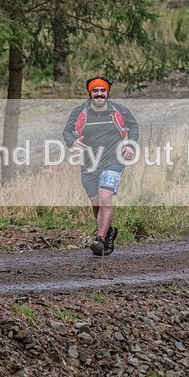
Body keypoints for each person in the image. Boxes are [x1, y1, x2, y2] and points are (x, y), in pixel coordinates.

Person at [62, 76, 138, 257]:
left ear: (107, 92)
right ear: (90, 93)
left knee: (105, 197)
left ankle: (100, 239)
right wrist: (72, 142)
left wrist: (130, 144)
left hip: (114, 159)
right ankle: (109, 231)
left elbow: (133, 126)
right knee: (96, 203)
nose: (99, 94)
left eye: (102, 90)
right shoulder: (80, 112)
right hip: (89, 163)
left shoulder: (119, 110)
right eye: (95, 91)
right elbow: (66, 132)